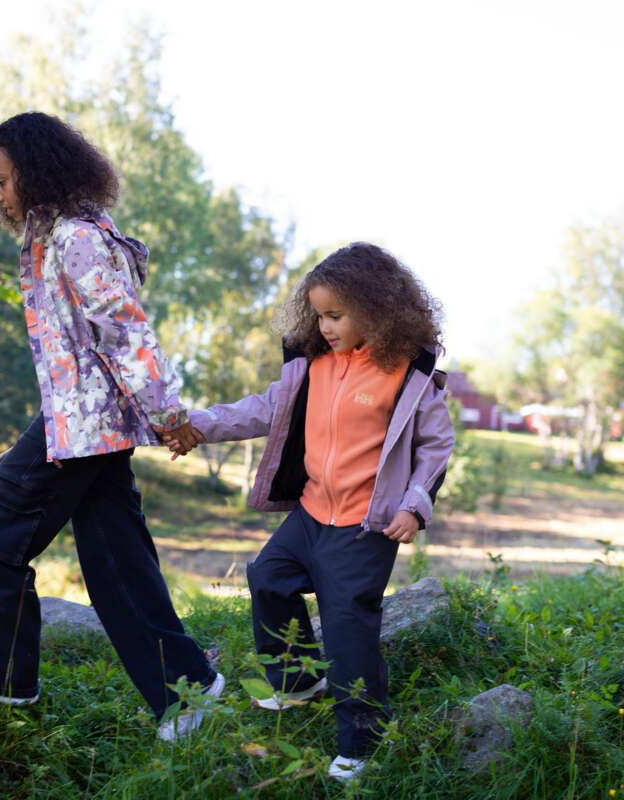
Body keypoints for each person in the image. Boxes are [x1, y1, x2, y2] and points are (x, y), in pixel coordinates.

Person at [0, 111, 221, 742]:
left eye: (3, 181)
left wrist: (169, 416)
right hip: (86, 422)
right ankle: (188, 691)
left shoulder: (77, 238)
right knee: (117, 561)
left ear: (39, 169)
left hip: (88, 423)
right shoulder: (52, 234)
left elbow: (125, 331)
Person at [166, 243, 454, 780]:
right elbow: (261, 409)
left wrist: (414, 507)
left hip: (365, 527)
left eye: (335, 315)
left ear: (376, 308)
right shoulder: (312, 365)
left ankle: (363, 743)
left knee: (348, 631)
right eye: (318, 314)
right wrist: (197, 425)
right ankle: (298, 680)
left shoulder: (408, 375)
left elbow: (436, 448)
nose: (323, 326)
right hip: (311, 513)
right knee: (268, 578)